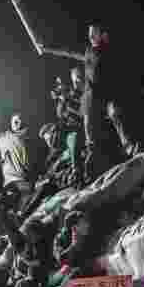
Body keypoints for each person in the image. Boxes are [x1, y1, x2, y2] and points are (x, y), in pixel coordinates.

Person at [32, 21, 114, 180]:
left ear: (103, 35)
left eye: (94, 33)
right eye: (89, 34)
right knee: (84, 128)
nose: (90, 36)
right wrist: (47, 47)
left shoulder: (111, 51)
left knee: (106, 112)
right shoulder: (90, 53)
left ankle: (122, 145)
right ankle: (85, 163)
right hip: (92, 102)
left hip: (107, 96)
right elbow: (67, 51)